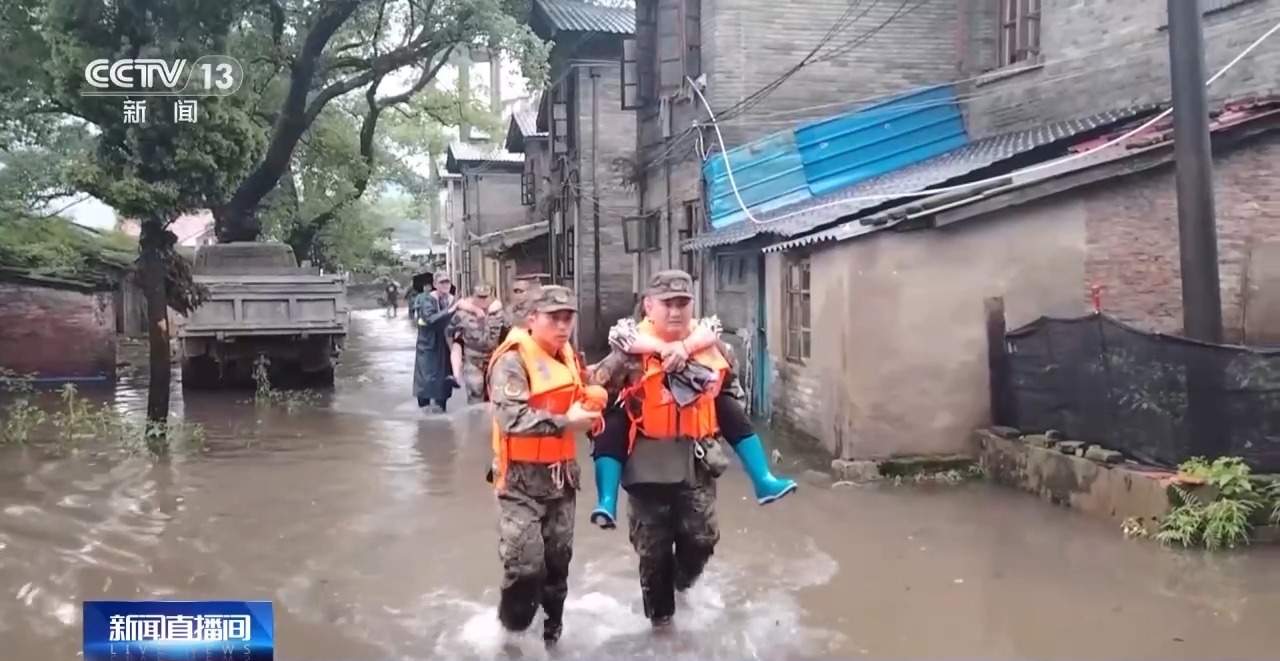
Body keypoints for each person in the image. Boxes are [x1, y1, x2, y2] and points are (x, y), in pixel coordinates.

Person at [585, 269, 793, 627]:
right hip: (647, 464)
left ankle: (683, 585)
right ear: (650, 306)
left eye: (683, 303)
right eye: (667, 304)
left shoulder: (714, 347)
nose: (676, 311)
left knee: (701, 539)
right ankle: (662, 630)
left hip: (695, 462)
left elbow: (731, 392)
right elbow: (595, 390)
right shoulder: (627, 354)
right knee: (653, 555)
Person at [486, 285, 603, 646]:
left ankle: (552, 638)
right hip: (519, 480)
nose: (563, 325)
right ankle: (511, 636)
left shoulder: (567, 354)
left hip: (560, 477)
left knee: (557, 566)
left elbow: (578, 391)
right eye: (554, 318)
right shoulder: (512, 361)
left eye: (568, 317)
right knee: (524, 565)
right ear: (532, 319)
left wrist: (592, 411)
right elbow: (511, 418)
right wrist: (568, 421)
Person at [448, 283, 504, 404]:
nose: (483, 300)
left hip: (494, 359)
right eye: (480, 297)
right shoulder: (463, 314)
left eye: (486, 296)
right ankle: (476, 420)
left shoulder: (499, 312)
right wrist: (456, 355)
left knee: (497, 396)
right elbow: (449, 332)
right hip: (473, 359)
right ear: (473, 296)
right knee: (475, 393)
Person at [413, 272, 458, 412]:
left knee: (444, 379)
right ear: (435, 285)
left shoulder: (451, 299)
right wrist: (451, 310)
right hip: (428, 344)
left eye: (447, 282)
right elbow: (430, 319)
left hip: (446, 344)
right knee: (426, 379)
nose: (445, 285)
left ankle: (441, 409)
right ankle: (424, 413)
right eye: (442, 283)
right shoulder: (427, 300)